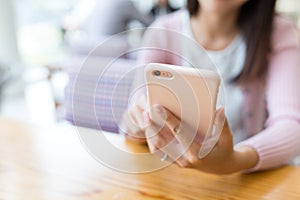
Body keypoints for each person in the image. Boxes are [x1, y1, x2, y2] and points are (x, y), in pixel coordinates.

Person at [121, 0, 300, 174]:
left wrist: (237, 160)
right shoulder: (162, 32)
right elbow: (131, 121)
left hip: (251, 179)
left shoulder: (279, 33)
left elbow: (291, 125)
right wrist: (138, 123)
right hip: (177, 178)